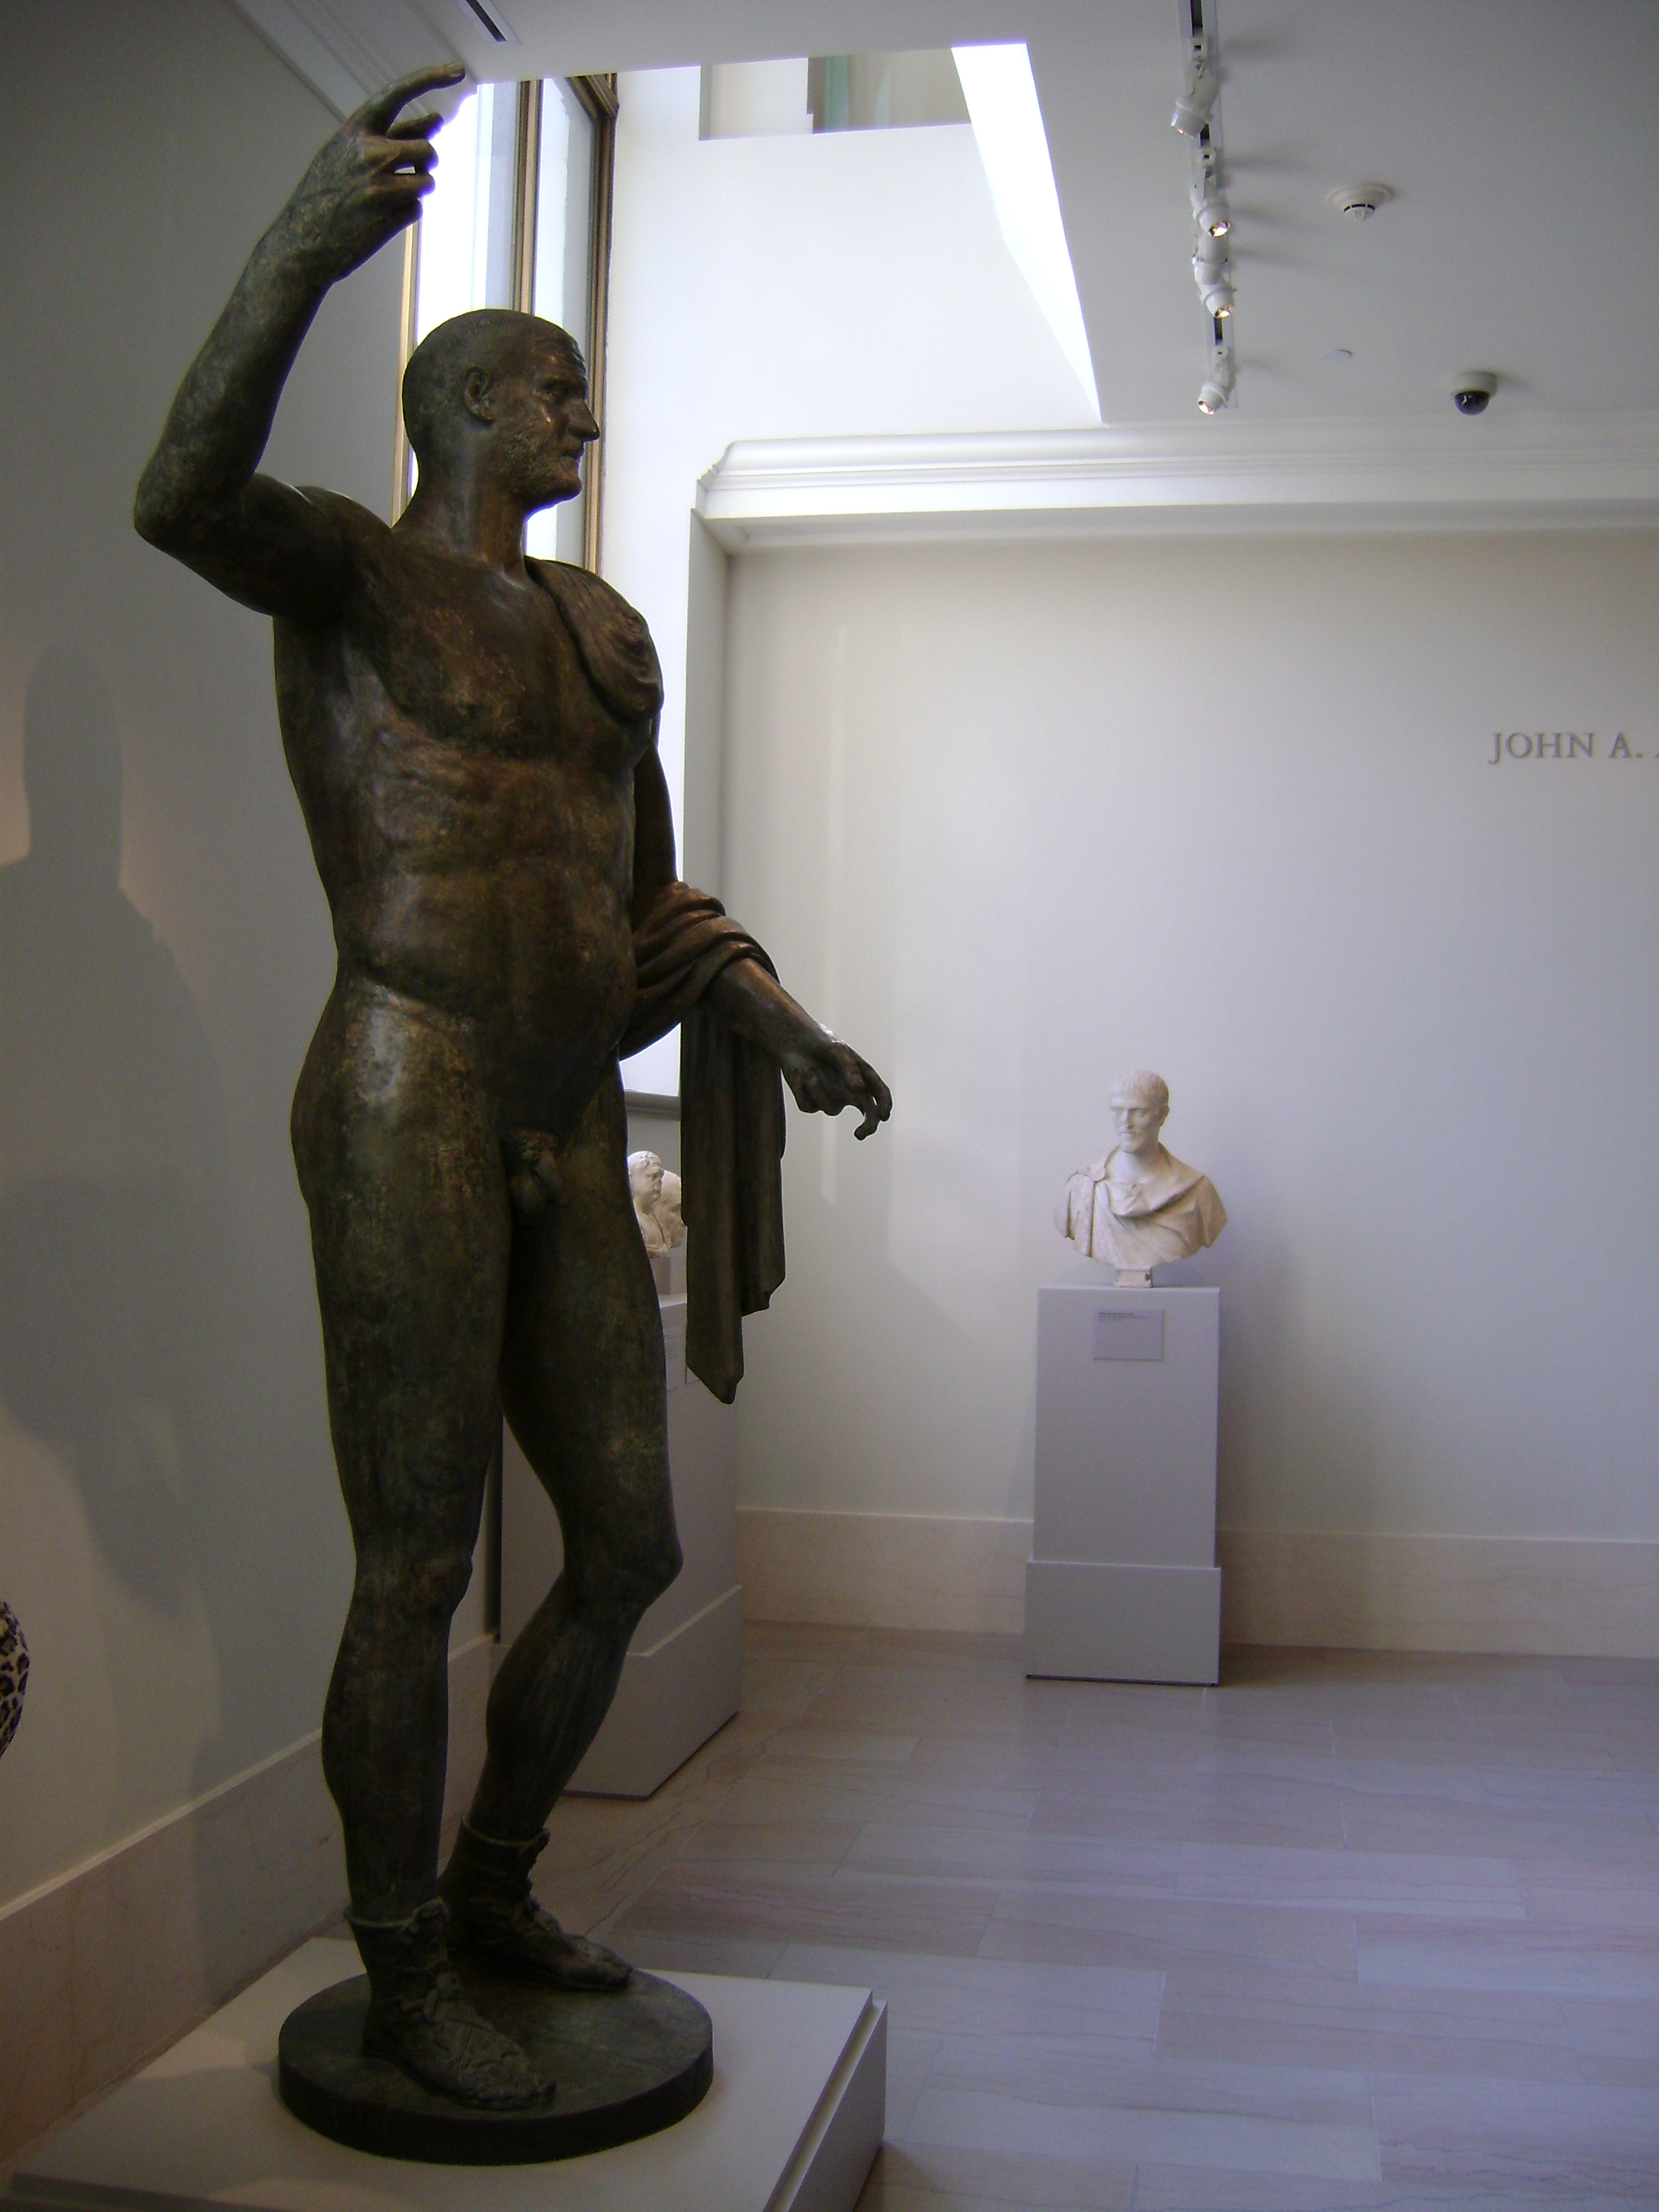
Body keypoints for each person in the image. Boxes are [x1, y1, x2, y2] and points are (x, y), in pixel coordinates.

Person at [135, 66, 890, 2109]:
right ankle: (397, 1965)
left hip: (563, 1100)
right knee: (416, 1561)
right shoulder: (354, 578)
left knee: (628, 1543)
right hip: (411, 1075)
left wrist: (772, 1016)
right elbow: (178, 496)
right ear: (463, 404)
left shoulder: (599, 629)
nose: (584, 420)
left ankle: (491, 1884)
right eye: (553, 389)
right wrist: (303, 251)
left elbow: (649, 897)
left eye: (584, 394)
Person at [1056, 1071, 1225, 1284]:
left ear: (1161, 1116)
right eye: (1117, 1111)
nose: (1126, 1123)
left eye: (1139, 1112)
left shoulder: (1198, 1192)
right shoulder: (1082, 1191)